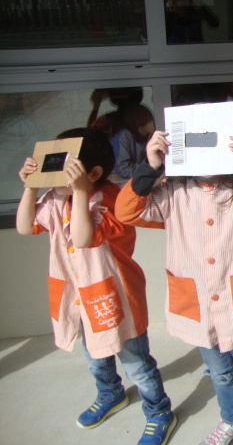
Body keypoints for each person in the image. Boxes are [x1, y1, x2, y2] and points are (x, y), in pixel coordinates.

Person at [115, 129, 233, 445]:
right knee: (220, 374)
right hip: (200, 307)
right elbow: (126, 211)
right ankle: (232, 421)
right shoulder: (172, 193)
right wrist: (150, 167)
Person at [16, 128, 175, 445]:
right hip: (79, 297)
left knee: (136, 364)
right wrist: (30, 187)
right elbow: (23, 226)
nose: (51, 175)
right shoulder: (57, 197)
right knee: (94, 356)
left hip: (116, 297)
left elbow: (83, 237)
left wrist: (79, 192)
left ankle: (159, 411)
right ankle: (110, 393)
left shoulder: (113, 200)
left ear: (93, 174)